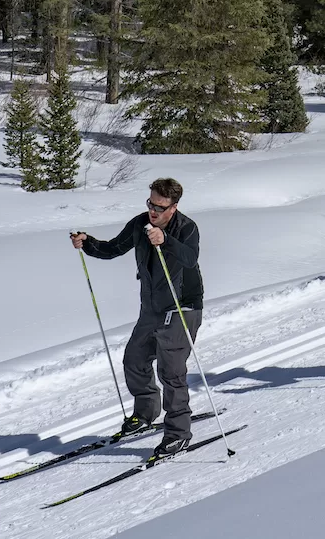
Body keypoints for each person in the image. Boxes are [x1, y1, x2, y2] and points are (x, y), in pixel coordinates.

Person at [71, 177, 204, 455]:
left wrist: (165, 240)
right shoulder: (140, 224)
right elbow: (113, 248)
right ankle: (144, 415)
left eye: (159, 206)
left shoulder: (187, 228)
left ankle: (179, 433)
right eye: (150, 203)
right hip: (152, 308)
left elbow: (190, 258)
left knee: (171, 372)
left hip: (182, 308)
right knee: (135, 359)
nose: (153, 211)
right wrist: (89, 243)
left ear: (174, 207)